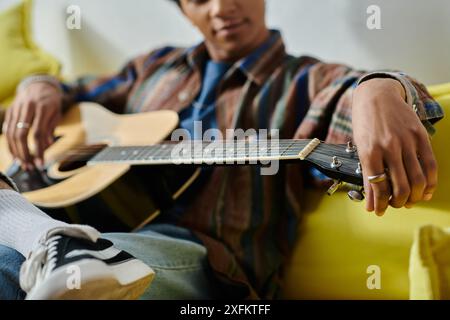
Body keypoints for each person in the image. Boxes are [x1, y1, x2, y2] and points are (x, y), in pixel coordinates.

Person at [0, 0, 443, 299]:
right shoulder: (152, 68)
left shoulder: (308, 80)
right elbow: (75, 94)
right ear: (184, 11)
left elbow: (357, 98)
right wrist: (40, 86)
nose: (221, 7)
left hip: (207, 263)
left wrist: (382, 88)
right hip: (78, 223)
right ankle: (47, 234)